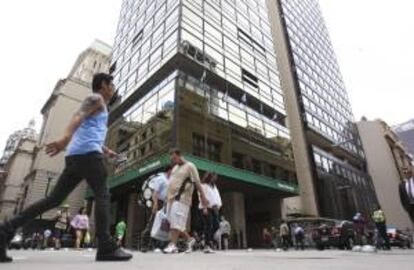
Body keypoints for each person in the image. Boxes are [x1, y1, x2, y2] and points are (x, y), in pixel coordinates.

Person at [0, 73, 132, 263]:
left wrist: (107, 151)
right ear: (103, 85)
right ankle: (105, 246)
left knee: (54, 199)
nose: (113, 88)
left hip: (76, 157)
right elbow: (78, 117)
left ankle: (5, 230)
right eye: (111, 84)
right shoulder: (96, 99)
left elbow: (87, 131)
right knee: (103, 195)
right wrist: (64, 138)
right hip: (87, 156)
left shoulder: (100, 107)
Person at [163, 148, 209, 254]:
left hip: (182, 198)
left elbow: (197, 183)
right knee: (174, 223)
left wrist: (203, 198)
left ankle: (172, 245)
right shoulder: (174, 168)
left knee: (176, 224)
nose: (173, 160)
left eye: (174, 158)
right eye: (172, 159)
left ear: (180, 155)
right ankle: (190, 239)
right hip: (171, 199)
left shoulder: (190, 166)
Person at [199, 172, 222, 253]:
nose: (215, 178)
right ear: (209, 177)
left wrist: (218, 207)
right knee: (209, 226)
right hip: (207, 207)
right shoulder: (204, 185)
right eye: (214, 177)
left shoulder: (214, 187)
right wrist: (204, 207)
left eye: (216, 177)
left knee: (216, 225)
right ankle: (207, 245)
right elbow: (202, 196)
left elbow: (217, 197)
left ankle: (204, 238)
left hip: (214, 209)